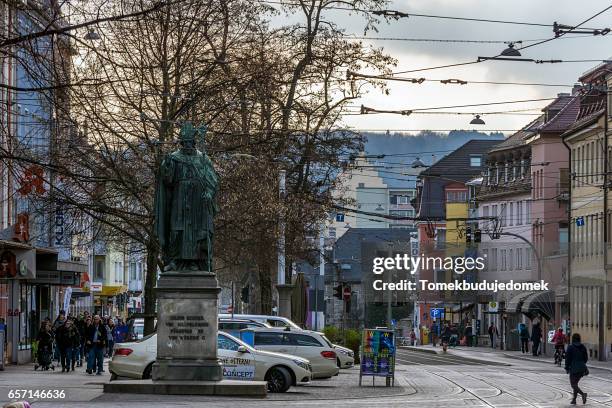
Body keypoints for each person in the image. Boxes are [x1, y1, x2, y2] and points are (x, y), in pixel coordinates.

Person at [565, 333, 588, 405]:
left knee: (573, 385)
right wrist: (582, 364)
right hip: (582, 368)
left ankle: (583, 394)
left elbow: (567, 358)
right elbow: (586, 358)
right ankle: (574, 399)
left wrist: (567, 367)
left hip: (574, 368)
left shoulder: (570, 347)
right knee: (576, 384)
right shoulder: (583, 347)